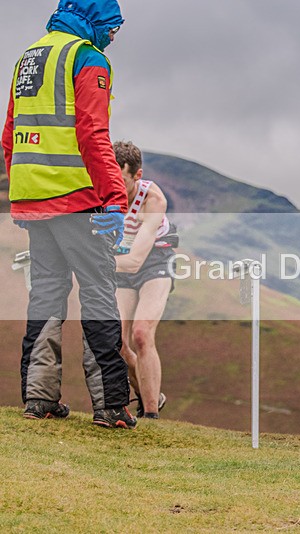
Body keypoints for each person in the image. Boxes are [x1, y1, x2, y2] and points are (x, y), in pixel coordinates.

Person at [2, 0, 136, 429]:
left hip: (33, 200)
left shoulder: (29, 57)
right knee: (98, 294)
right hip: (80, 201)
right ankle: (111, 405)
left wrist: (21, 191)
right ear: (96, 20)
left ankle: (38, 399)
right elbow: (93, 133)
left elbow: (9, 136)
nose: (114, 36)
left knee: (45, 295)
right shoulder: (87, 57)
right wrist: (115, 200)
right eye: (113, 26)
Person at [113, 140, 177, 419]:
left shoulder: (153, 199)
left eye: (122, 180)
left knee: (141, 333)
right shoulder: (102, 193)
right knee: (116, 341)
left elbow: (136, 260)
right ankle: (150, 394)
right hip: (118, 264)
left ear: (137, 176)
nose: (115, 186)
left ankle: (150, 414)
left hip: (154, 262)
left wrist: (90, 264)